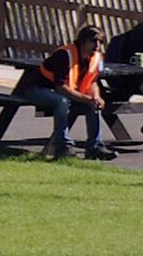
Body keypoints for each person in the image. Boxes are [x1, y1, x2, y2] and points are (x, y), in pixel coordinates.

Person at [33, 22, 124, 160]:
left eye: (101, 41)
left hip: (67, 93)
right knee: (61, 102)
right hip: (38, 90)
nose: (98, 45)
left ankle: (94, 147)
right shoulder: (64, 55)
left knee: (94, 105)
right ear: (83, 41)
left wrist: (96, 97)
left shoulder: (96, 58)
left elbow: (92, 81)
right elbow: (60, 87)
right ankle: (62, 147)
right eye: (94, 41)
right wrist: (86, 99)